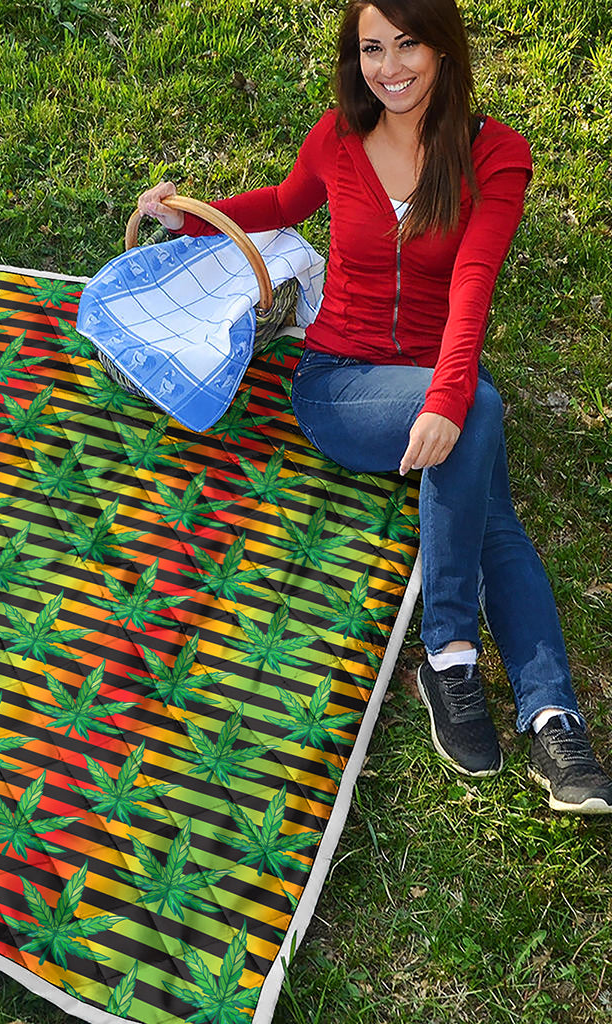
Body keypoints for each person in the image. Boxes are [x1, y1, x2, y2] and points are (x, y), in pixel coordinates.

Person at [136, 0, 612, 814]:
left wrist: (449, 397)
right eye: (371, 49)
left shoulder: (495, 155)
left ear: (443, 49)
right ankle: (455, 653)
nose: (389, 67)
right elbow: (284, 204)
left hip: (432, 379)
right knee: (482, 419)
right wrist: (191, 221)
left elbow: (473, 284)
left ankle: (548, 715)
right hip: (339, 384)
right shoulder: (338, 137)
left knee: (487, 481)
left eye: (408, 45)